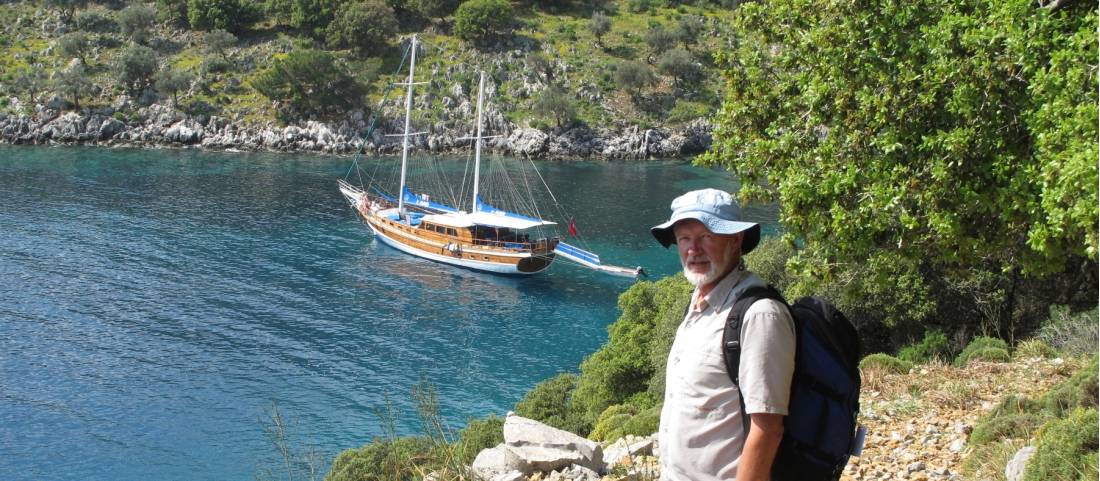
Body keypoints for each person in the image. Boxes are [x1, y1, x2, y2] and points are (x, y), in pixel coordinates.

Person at [650, 188, 796, 481]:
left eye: (706, 237)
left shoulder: (760, 315)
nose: (693, 250)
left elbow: (768, 428)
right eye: (684, 239)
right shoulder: (701, 303)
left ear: (736, 239)